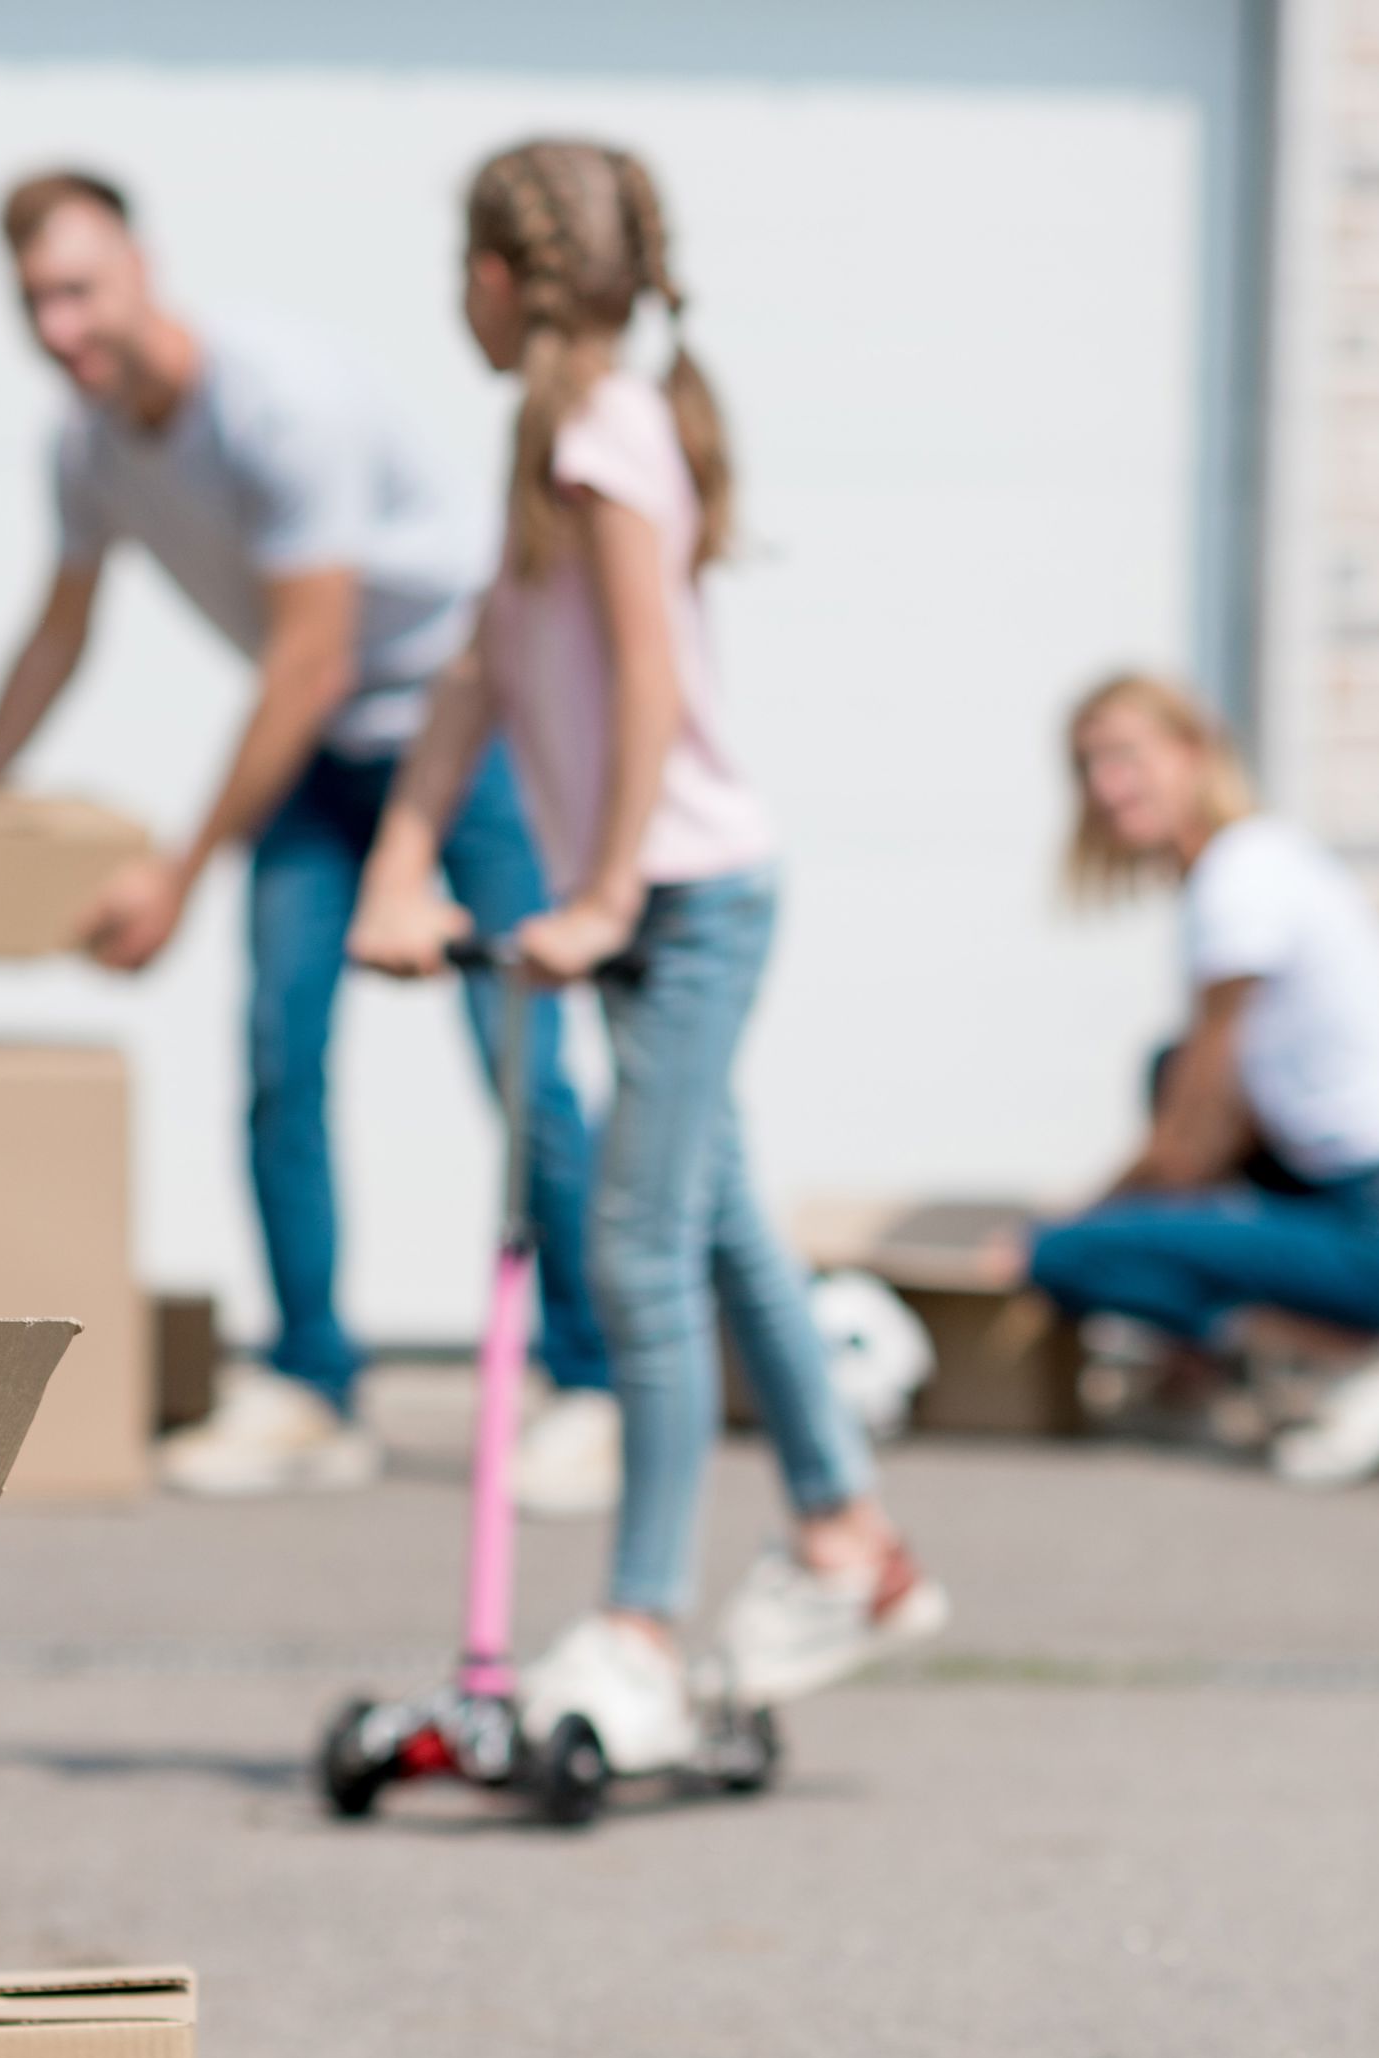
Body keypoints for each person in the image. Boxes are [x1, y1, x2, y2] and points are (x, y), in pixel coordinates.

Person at [351, 138, 946, 1771]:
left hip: (687, 900)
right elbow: (476, 672)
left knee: (633, 1249)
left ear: (494, 281)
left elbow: (649, 676)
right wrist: (396, 868)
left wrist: (605, 890)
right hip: (653, 904)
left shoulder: (605, 437)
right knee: (728, 1227)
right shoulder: (551, 437)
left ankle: (638, 1622)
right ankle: (847, 1544)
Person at [0, 168, 617, 1508]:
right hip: (320, 755)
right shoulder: (85, 445)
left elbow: (309, 663)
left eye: (80, 290)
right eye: (34, 304)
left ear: (142, 266)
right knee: (278, 1050)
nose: (61, 329)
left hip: (461, 721)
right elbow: (60, 627)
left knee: (520, 1059)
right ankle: (312, 1385)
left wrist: (175, 876)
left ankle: (591, 1380)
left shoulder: (279, 406)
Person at [1022, 673, 1379, 1486]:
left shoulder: (1239, 877)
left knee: (1066, 1260)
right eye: (1086, 766)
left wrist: (1051, 1235)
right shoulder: (1260, 866)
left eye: (1125, 756)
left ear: (1193, 752)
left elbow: (1187, 1144)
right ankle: (1248, 1366)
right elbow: (1205, 1108)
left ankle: (1353, 1353)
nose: (1105, 786)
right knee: (1167, 1065)